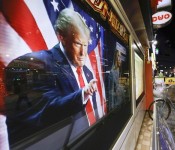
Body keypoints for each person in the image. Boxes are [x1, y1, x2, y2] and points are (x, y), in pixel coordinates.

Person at [5, 8, 104, 140]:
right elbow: (48, 111)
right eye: (78, 44)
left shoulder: (85, 72)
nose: (83, 53)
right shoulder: (38, 63)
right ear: (61, 36)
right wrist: (83, 93)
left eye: (85, 45)